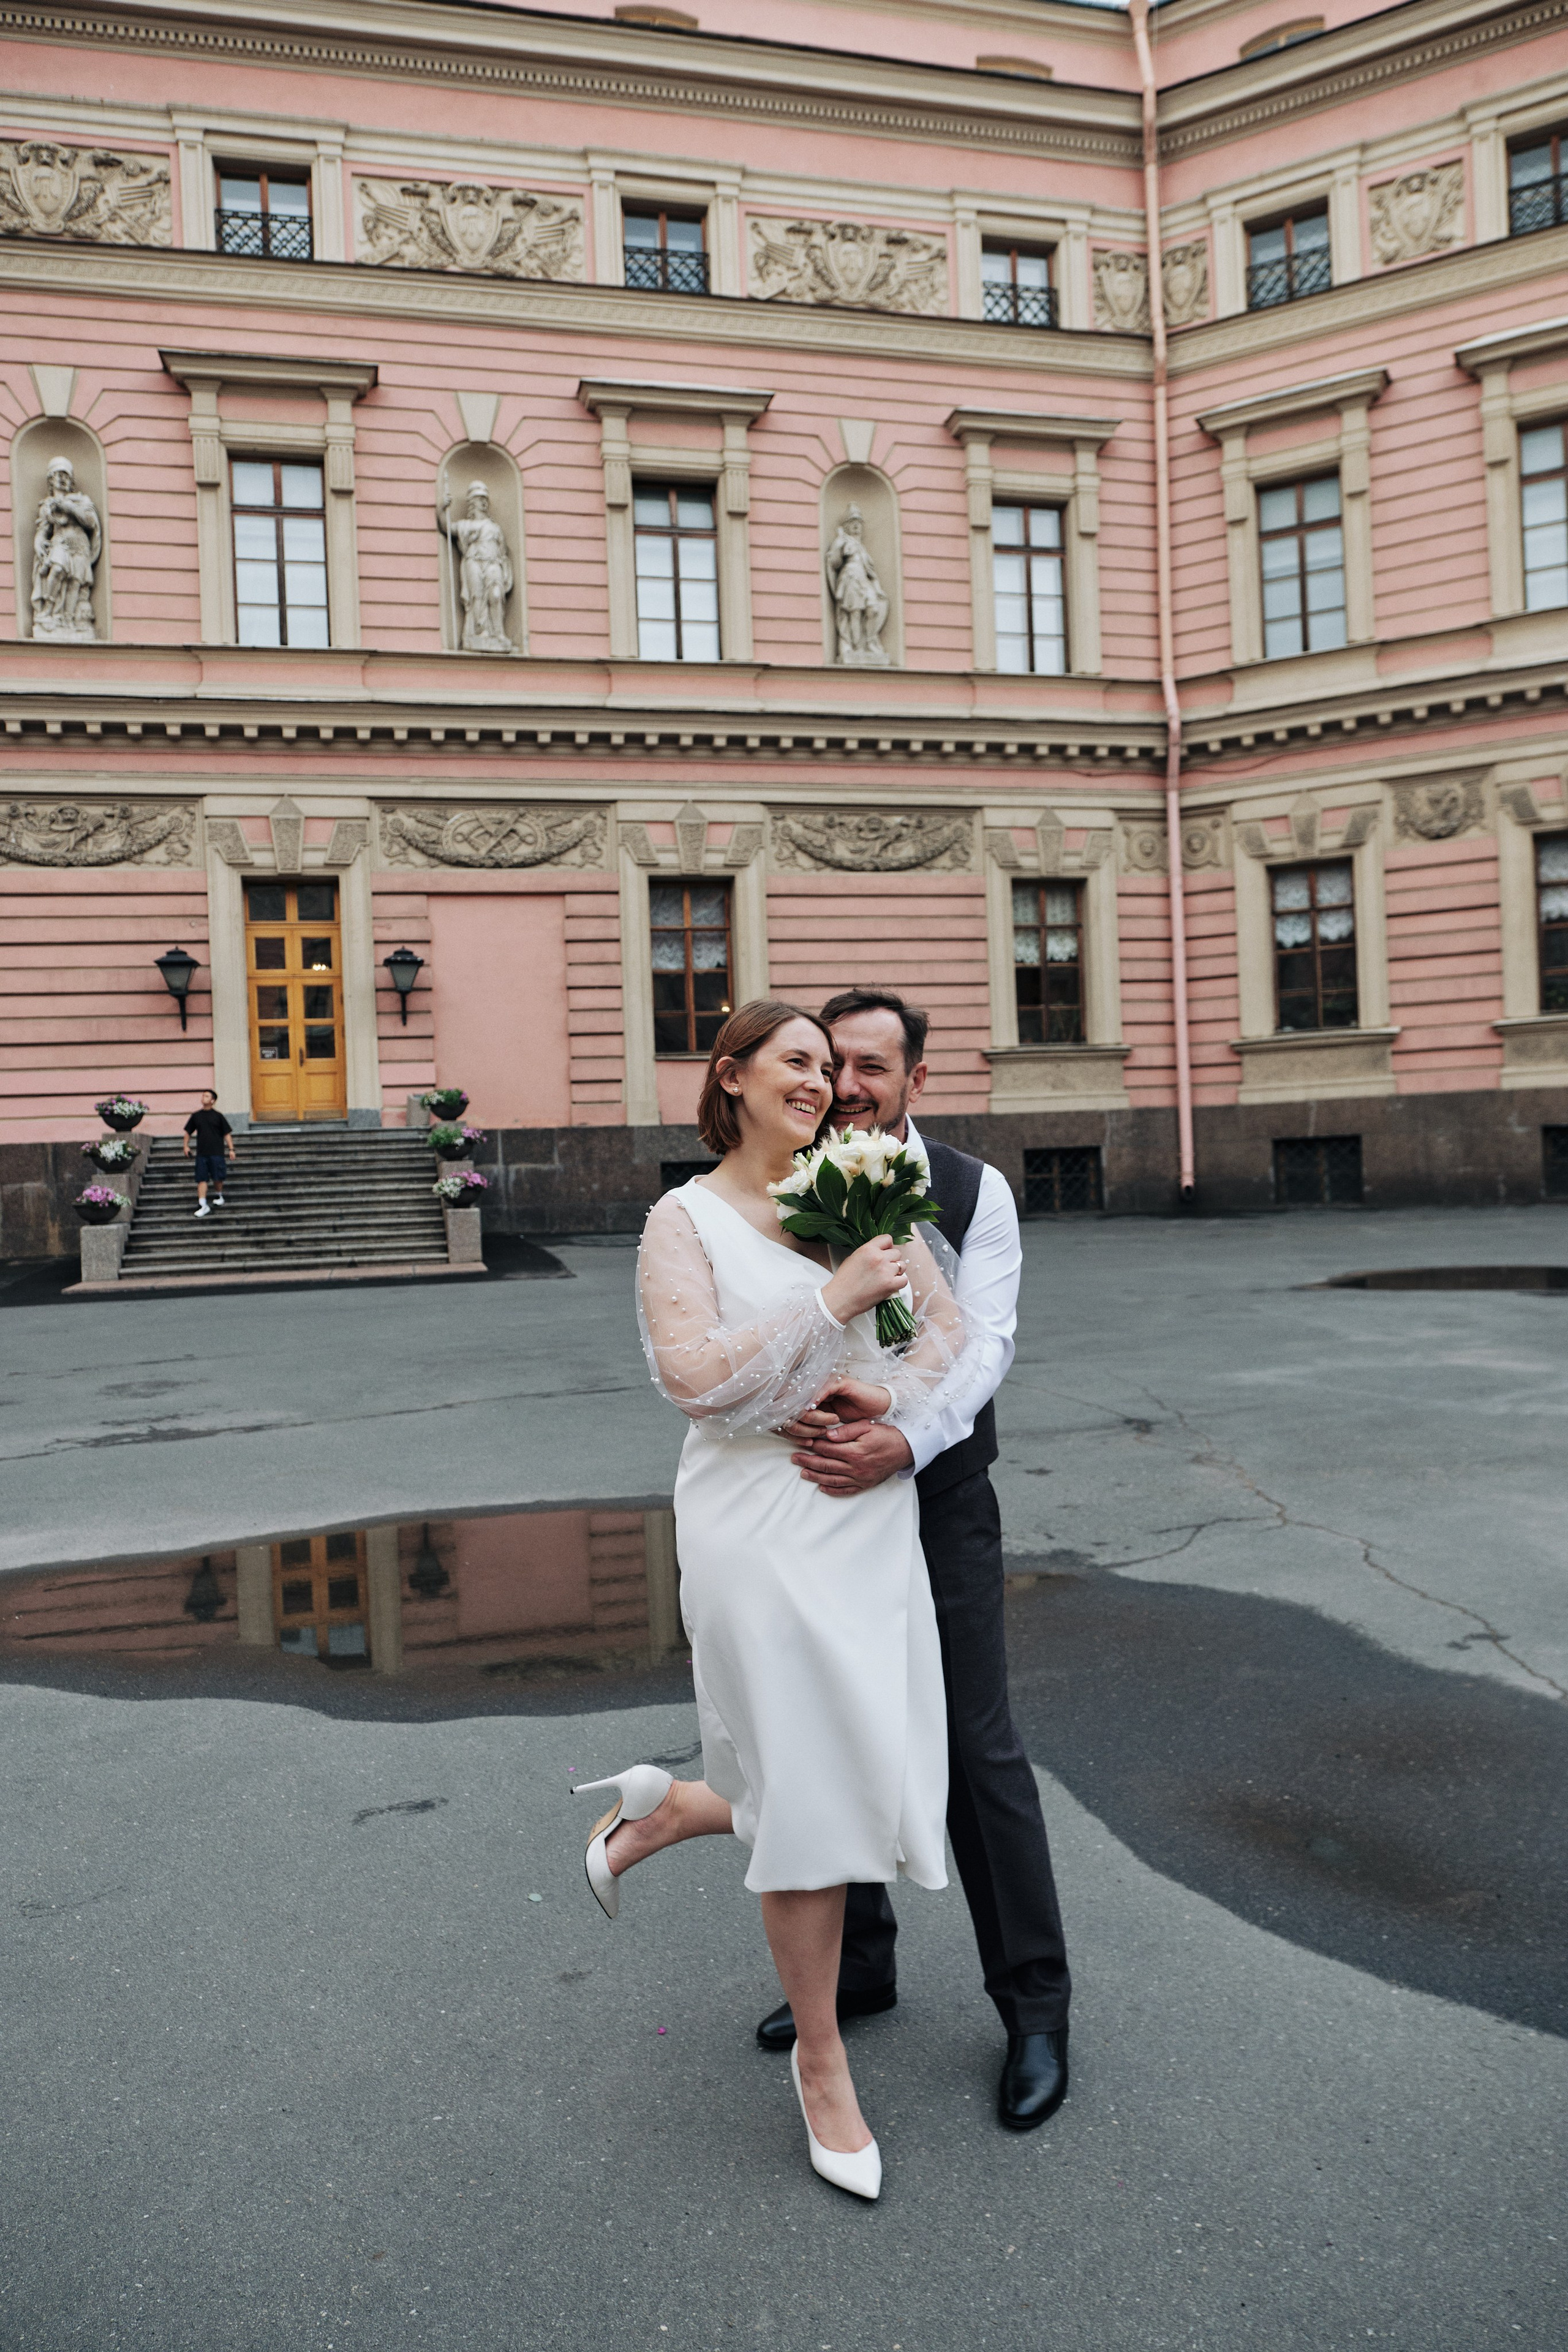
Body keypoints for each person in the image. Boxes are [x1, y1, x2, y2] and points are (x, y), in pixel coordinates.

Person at [573, 1000, 980, 2202]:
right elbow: (698, 1386)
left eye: (827, 1067)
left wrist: (886, 1400)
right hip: (753, 1521)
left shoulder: (851, 1188)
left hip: (859, 1512)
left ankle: (671, 1809)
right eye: (793, 1062)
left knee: (853, 1765)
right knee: (810, 1797)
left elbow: (943, 1338)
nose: (819, 1083)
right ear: (731, 1076)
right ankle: (821, 2064)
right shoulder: (679, 1219)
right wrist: (829, 1304)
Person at [760, 987, 1072, 2134]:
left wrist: (903, 1435)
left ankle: (1038, 2012)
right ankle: (860, 1971)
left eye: (873, 1068)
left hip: (937, 1494)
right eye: (833, 1062)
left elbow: (982, 1347)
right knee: (834, 1731)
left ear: (913, 1081)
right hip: (816, 1500)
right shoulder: (771, 1175)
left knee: (977, 1751)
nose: (845, 1085)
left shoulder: (973, 1191)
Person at [183, 1090, 235, 1217]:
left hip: (217, 1152)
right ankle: (203, 1204)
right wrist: (186, 1146)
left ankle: (219, 1195)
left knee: (218, 1177)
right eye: (203, 1095)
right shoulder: (196, 1116)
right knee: (201, 1179)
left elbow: (226, 1134)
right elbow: (188, 1132)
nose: (203, 1098)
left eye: (207, 1096)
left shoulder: (218, 1116)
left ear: (212, 1101)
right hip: (202, 1153)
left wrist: (231, 1149)